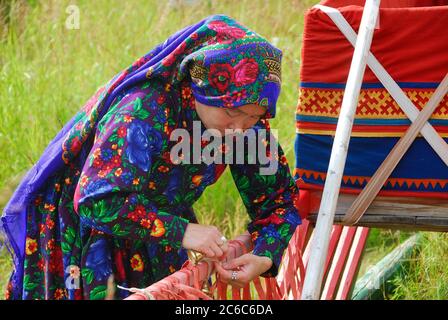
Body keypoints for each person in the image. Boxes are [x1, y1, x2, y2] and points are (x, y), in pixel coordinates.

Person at [1, 14, 301, 300]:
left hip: (156, 225)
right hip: (87, 226)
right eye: (232, 113)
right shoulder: (144, 112)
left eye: (254, 118)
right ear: (201, 88)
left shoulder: (245, 120)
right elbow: (96, 201)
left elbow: (279, 200)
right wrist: (182, 230)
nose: (239, 130)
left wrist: (263, 256)